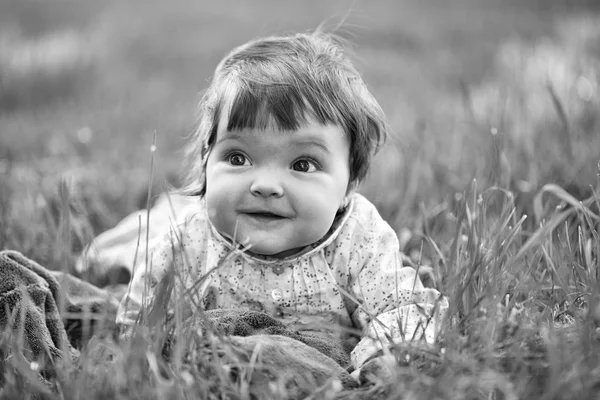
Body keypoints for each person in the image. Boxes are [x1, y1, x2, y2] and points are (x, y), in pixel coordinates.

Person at [116, 30, 447, 369]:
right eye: (237, 158)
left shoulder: (359, 241)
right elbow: (139, 321)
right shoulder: (189, 241)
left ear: (349, 185)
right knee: (130, 250)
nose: (266, 185)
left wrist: (382, 363)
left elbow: (401, 311)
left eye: (302, 164)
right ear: (206, 161)